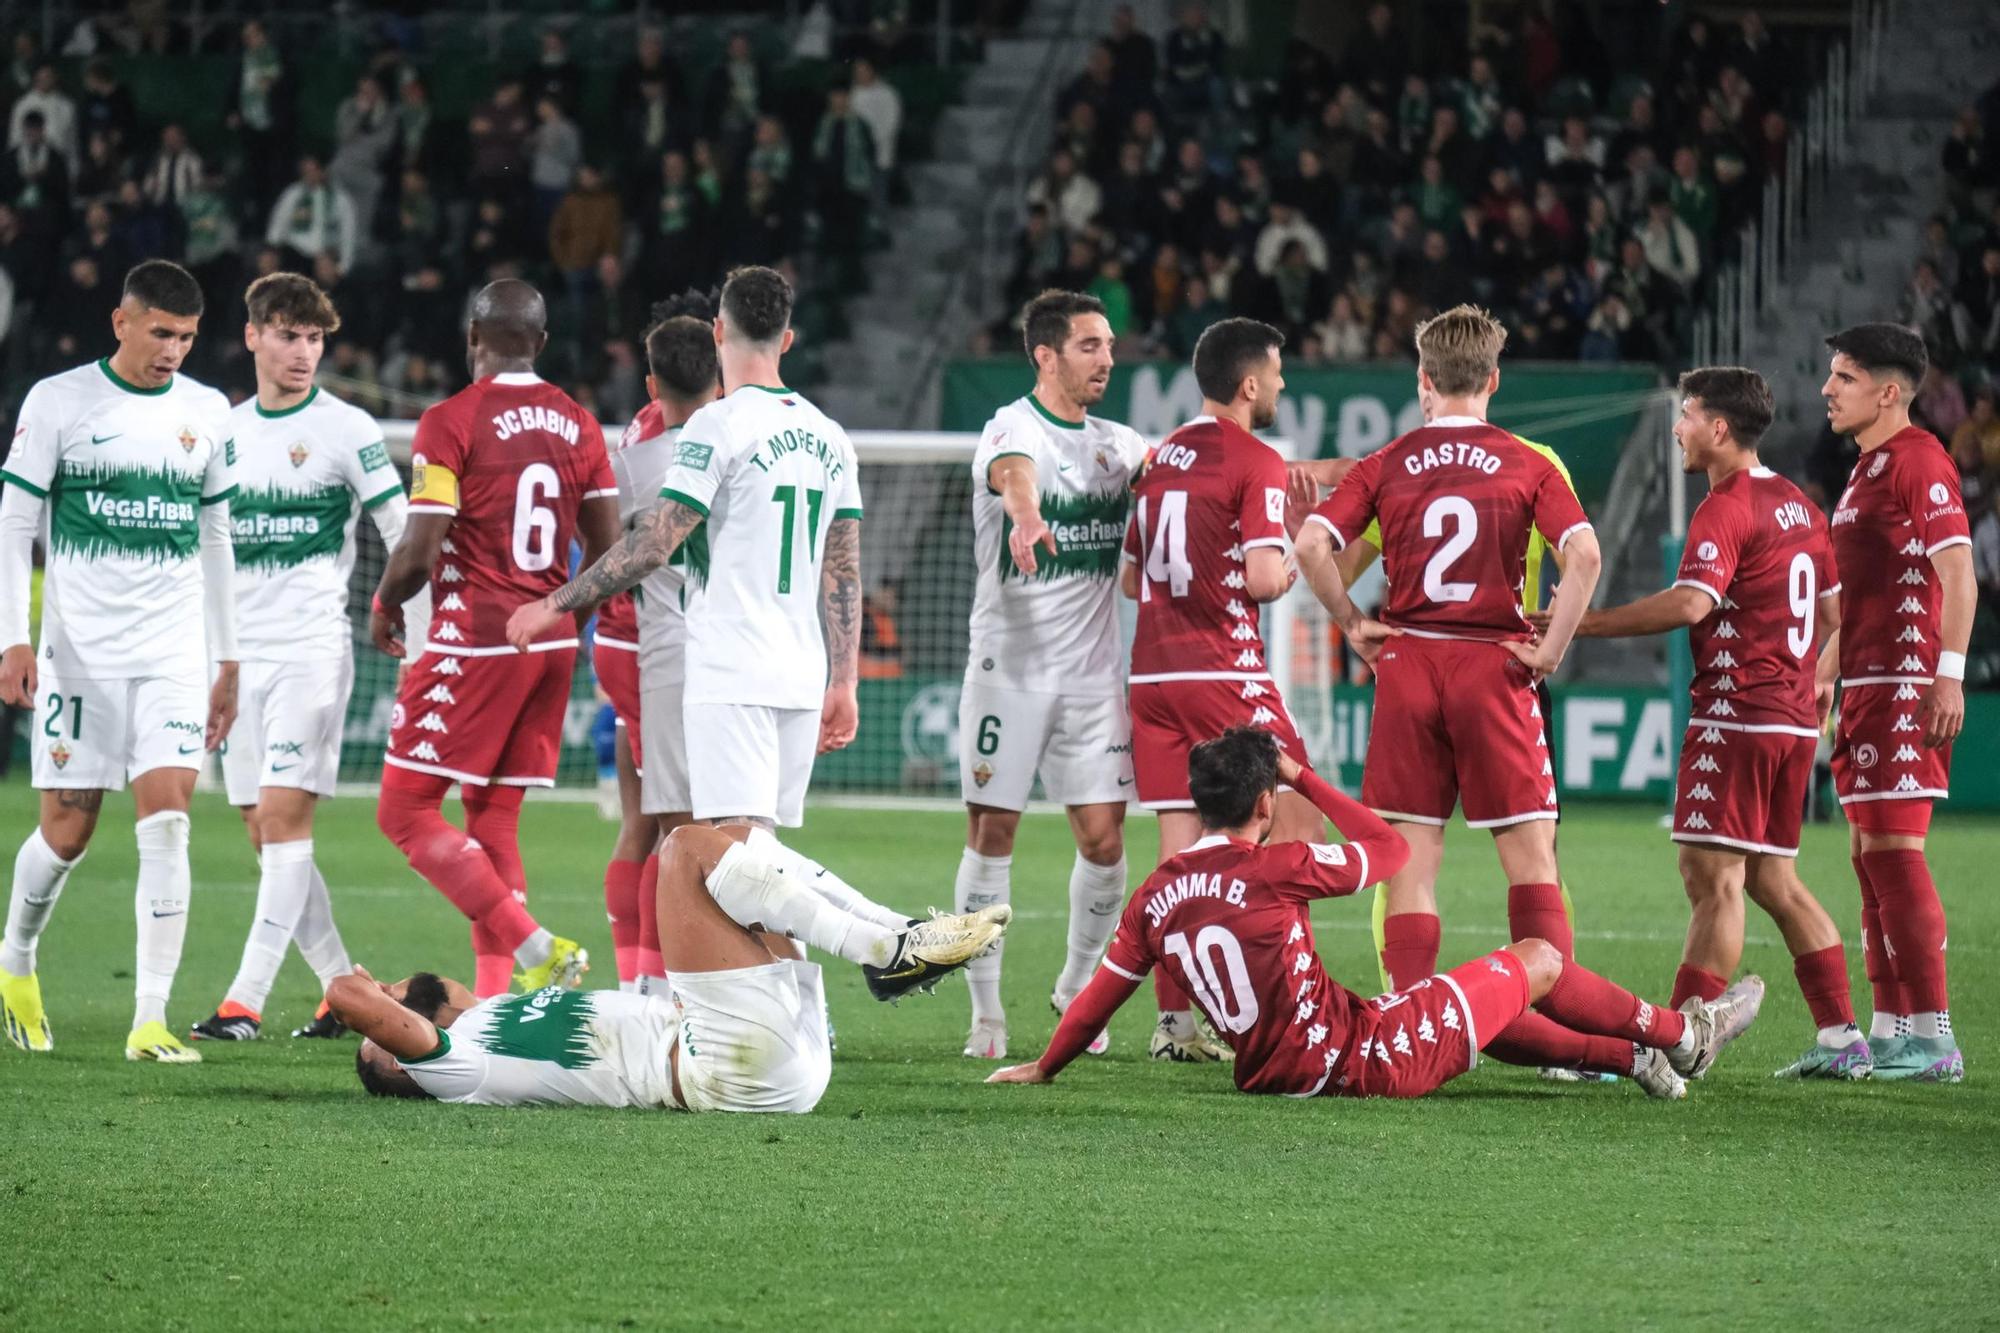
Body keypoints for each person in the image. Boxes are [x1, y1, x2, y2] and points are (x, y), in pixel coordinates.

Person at [988, 728, 1764, 1100]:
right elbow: (1390, 849)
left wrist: (1045, 1065)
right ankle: (1682, 1036)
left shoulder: (1156, 892)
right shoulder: (1280, 867)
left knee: (1481, 1008)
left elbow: (1099, 995)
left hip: (1278, 1067)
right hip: (1357, 1057)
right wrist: (1307, 776)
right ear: (1265, 803)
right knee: (1539, 960)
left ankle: (1635, 1060)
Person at [1294, 305, 1654, 1082]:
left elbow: (1310, 545)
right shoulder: (1527, 461)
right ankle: (1570, 1036)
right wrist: (1551, 647)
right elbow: (1584, 554)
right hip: (1495, 665)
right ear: (1494, 379)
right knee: (1530, 861)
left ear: (1422, 381)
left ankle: (1413, 1028)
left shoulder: (1390, 460)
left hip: (1410, 662)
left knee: (1411, 860)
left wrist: (1353, 620)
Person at [1554, 367, 1864, 1077]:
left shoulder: (1725, 508)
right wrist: (1820, 675)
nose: (1677, 427)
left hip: (1738, 715)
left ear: (1719, 429)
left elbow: (1693, 604)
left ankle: (1673, 1044)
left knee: (1712, 877)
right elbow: (1838, 616)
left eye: (1687, 415)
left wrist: (1583, 623)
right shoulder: (1800, 506)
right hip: (1786, 722)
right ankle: (1843, 1034)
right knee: (1771, 880)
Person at [506, 265, 863, 837]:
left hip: (733, 669)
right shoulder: (831, 436)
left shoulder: (715, 426)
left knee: (736, 861)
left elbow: (653, 544)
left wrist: (555, 605)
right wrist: (844, 680)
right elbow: (842, 570)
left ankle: (886, 931)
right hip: (802, 671)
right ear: (787, 340)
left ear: (718, 332)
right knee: (753, 862)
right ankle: (872, 931)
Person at [332, 824, 1013, 1111]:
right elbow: (346, 995)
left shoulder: (496, 1014)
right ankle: (883, 953)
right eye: (384, 1028)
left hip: (776, 1058)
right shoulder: (463, 1068)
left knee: (744, 839)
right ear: (403, 1060)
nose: (390, 992)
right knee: (683, 848)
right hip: (723, 1069)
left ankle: (893, 937)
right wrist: (357, 992)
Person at [0, 260, 237, 1062]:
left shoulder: (206, 411)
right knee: (67, 832)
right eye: (161, 332)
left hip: (171, 652)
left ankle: (149, 1017)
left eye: (187, 337)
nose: (173, 349)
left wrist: (227, 656)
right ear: (121, 322)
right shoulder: (59, 401)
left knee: (168, 822)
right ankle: (16, 960)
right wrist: (13, 636)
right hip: (80, 656)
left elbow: (215, 535)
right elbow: (13, 520)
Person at [186, 273, 422, 1043]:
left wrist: (417, 630)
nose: (304, 351)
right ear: (252, 336)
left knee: (286, 821)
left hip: (311, 652)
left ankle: (243, 1001)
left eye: (316, 338)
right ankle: (339, 987)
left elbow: (402, 530)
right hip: (235, 662)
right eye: (288, 335)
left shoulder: (347, 427)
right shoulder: (222, 430)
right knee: (262, 831)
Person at [369, 279, 619, 997]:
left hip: (476, 637)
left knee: (405, 810)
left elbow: (419, 552)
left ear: (472, 337)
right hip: (551, 640)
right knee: (493, 816)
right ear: (541, 342)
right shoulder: (580, 423)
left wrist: (385, 602)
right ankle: (499, 1002)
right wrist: (565, 614)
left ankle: (538, 945)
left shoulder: (450, 420)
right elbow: (606, 554)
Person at [1124, 317, 1326, 1061]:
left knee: (1181, 850)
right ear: (1248, 385)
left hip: (1151, 674)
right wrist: (1292, 538)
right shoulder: (1257, 458)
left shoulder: (1162, 455)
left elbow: (1129, 575)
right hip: (1221, 670)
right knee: (1300, 817)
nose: (1280, 385)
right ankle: (1288, 998)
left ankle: (1175, 1024)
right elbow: (1267, 579)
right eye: (1275, 374)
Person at [954, 290, 1146, 1062]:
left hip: (1094, 678)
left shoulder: (1120, 444)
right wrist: (1026, 513)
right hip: (1010, 668)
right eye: (1090, 346)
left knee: (1104, 840)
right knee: (993, 830)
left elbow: (1186, 472)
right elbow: (1013, 473)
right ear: (1046, 355)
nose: (1107, 358)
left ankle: (1074, 987)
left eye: (1108, 345)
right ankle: (986, 1011)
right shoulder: (1012, 426)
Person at [1818, 323, 1974, 1082]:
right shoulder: (1866, 472)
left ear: (1887, 392)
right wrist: (1825, 669)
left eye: (1842, 377)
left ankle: (1936, 1035)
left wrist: (1948, 674)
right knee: (1865, 854)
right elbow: (1862, 598)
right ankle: (1889, 1029)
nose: (1827, 389)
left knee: (1895, 853)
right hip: (1867, 686)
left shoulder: (1918, 461)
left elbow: (1960, 573)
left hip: (1907, 686)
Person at [600, 291, 723, 994]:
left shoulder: (638, 437)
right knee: (693, 824)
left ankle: (638, 983)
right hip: (663, 640)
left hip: (625, 637)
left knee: (644, 818)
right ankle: (668, 984)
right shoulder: (701, 435)